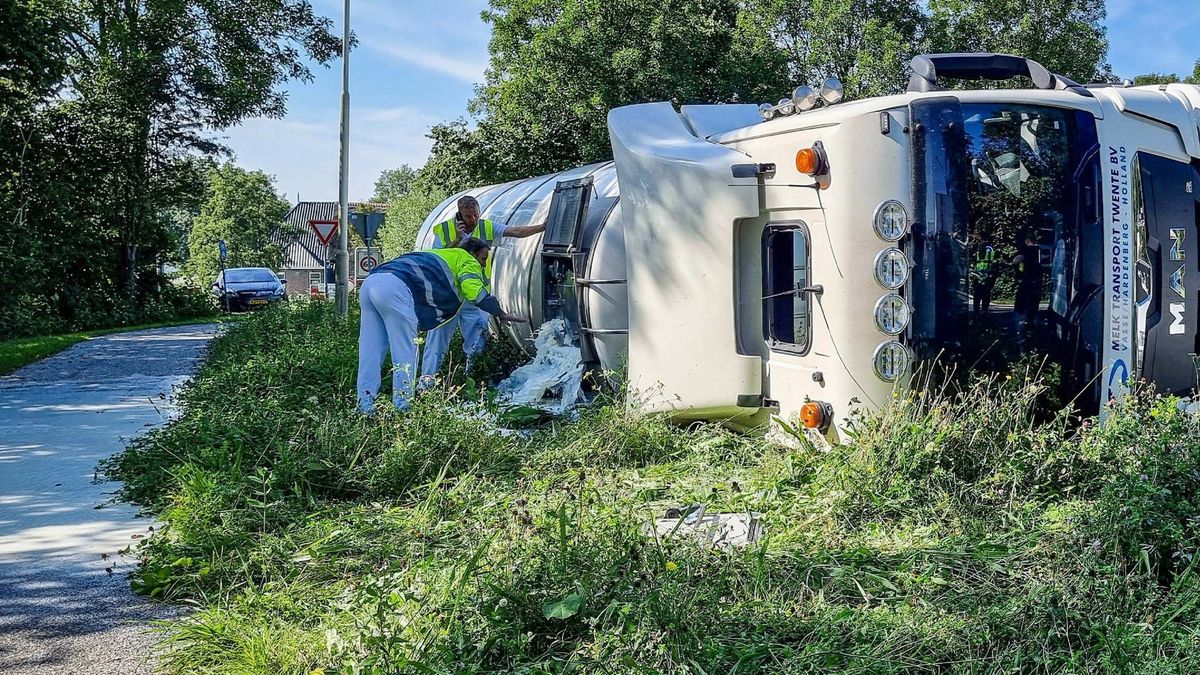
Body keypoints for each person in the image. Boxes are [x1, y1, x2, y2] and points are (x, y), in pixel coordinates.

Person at [356, 238, 525, 413]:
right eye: (483, 259)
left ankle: (365, 405)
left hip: (372, 282)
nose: (483, 265)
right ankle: (403, 406)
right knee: (405, 350)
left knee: (370, 349)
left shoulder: (441, 253)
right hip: (396, 289)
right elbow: (473, 290)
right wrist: (501, 313)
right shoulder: (466, 259)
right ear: (472, 253)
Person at [421, 195, 546, 379]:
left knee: (478, 338)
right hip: (449, 296)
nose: (473, 220)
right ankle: (428, 382)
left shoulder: (486, 227)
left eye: (476, 215)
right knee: (437, 340)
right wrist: (457, 239)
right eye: (468, 216)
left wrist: (543, 226)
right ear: (459, 215)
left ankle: (474, 380)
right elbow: (437, 259)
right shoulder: (446, 230)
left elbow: (517, 231)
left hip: (474, 297)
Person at [1012, 233, 1043, 342]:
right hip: (1038, 284)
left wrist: (1018, 272)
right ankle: (1033, 334)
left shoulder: (1026, 251)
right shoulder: (1040, 250)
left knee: (1020, 310)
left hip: (1026, 284)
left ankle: (1020, 336)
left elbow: (1016, 260)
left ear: (1027, 241)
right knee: (1034, 309)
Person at [970, 239, 997, 314]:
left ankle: (981, 312)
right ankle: (980, 312)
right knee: (981, 297)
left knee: (980, 297)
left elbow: (994, 267)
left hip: (983, 278)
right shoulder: (982, 255)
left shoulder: (984, 255)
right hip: (981, 278)